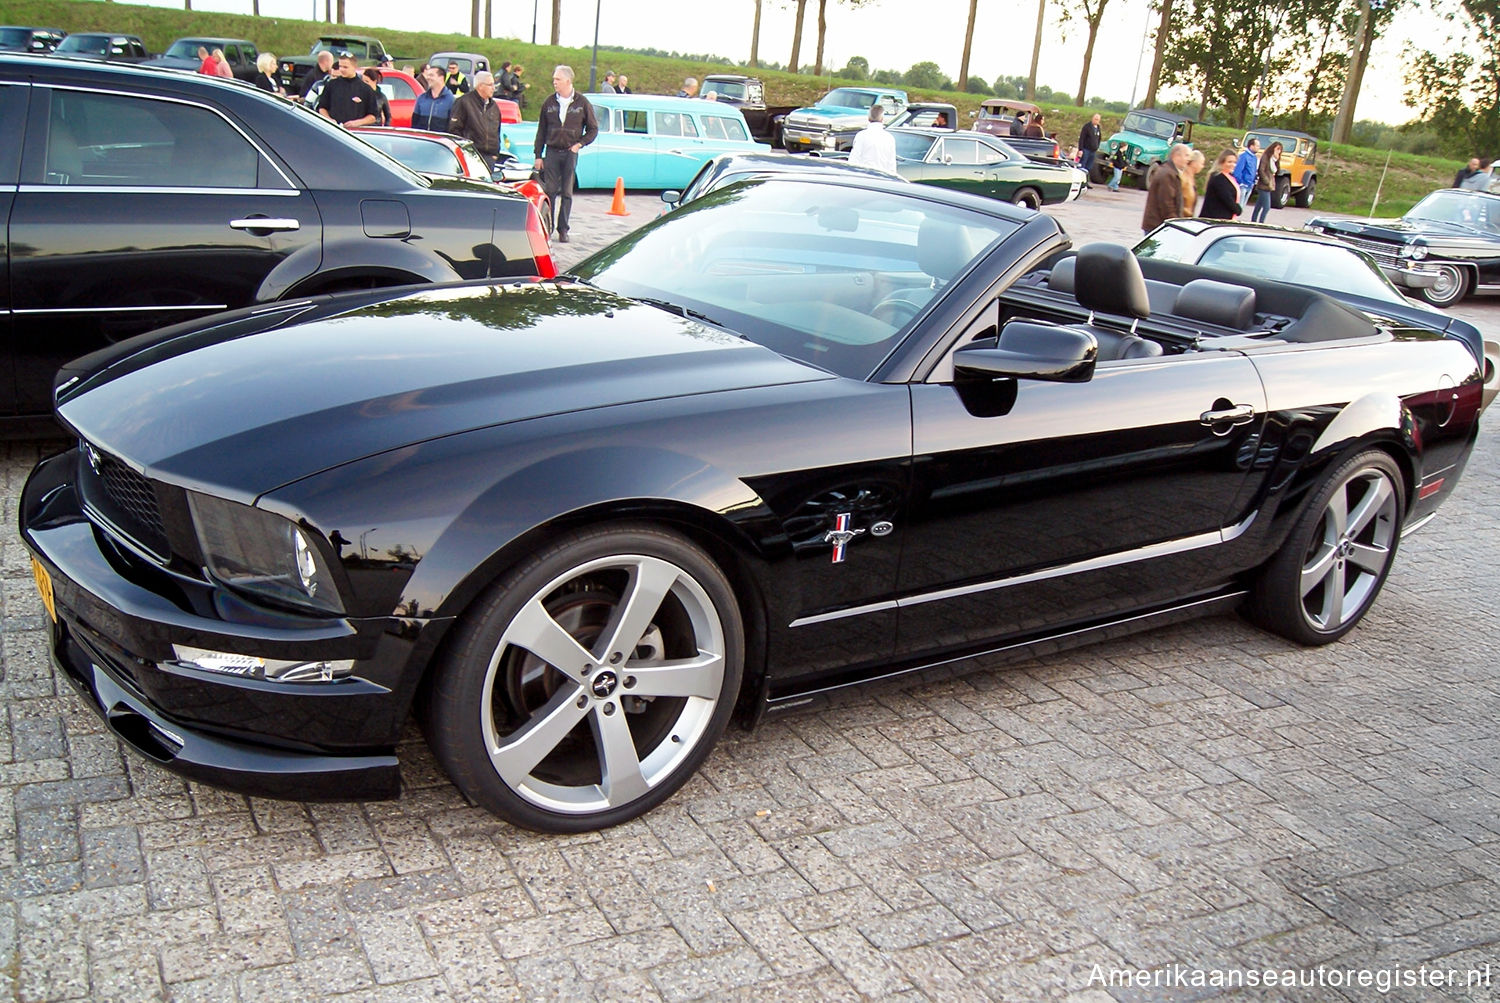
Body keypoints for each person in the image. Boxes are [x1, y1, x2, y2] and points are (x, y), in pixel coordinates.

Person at [533, 65, 599, 243]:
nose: (554, 82)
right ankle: (548, 228)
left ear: (568, 81)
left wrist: (580, 144)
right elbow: (541, 130)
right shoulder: (549, 103)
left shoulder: (582, 103)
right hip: (552, 151)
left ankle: (563, 229)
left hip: (570, 152)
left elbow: (593, 129)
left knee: (567, 192)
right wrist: (538, 155)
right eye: (554, 79)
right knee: (550, 191)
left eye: (558, 79)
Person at [449, 71, 502, 164]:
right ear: (480, 86)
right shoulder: (464, 102)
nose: (493, 88)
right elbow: (454, 130)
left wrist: (495, 153)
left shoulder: (494, 107)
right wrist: (466, 151)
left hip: (489, 158)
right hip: (470, 156)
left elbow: (497, 131)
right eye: (490, 85)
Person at [316, 52, 377, 128]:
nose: (341, 69)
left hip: (355, 132)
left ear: (354, 67)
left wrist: (357, 123)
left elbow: (373, 116)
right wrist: (329, 120)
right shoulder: (331, 85)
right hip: (334, 130)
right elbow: (322, 108)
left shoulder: (365, 89)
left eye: (345, 67)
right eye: (340, 66)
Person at [1143, 143, 1190, 232]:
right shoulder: (1167, 174)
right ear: (1176, 156)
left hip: (1159, 226)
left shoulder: (1170, 171)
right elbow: (1167, 203)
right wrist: (1174, 225)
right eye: (1186, 155)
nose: (1188, 159)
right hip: (1157, 227)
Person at [848, 103, 897, 175]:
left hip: (864, 176)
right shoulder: (889, 138)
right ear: (882, 119)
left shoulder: (861, 136)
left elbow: (854, 160)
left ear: (868, 118)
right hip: (883, 178)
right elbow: (891, 164)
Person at [1199, 149, 1243, 220]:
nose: (1233, 165)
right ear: (1222, 162)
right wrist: (1237, 209)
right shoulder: (1218, 178)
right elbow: (1227, 198)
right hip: (1214, 219)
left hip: (1223, 218)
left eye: (1234, 162)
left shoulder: (1228, 176)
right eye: (1229, 162)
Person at [412, 65, 456, 132]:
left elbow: (453, 128)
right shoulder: (421, 99)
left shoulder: (451, 100)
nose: (428, 78)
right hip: (423, 140)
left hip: (440, 141)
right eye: (428, 75)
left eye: (431, 75)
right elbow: (414, 124)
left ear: (441, 78)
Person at [1251, 141, 1281, 223]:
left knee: (1258, 205)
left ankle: (1253, 221)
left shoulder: (1274, 159)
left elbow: (1277, 171)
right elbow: (1261, 170)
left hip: (1270, 186)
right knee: (1267, 207)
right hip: (1263, 185)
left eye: (1280, 150)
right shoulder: (1266, 157)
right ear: (1273, 148)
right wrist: (1266, 181)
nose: (1279, 151)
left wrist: (1276, 160)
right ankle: (1261, 222)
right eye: (1277, 149)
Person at [1233, 137, 1260, 210]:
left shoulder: (1254, 158)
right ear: (1251, 146)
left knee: (1242, 208)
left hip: (1250, 185)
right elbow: (1238, 171)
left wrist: (1253, 182)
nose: (1259, 148)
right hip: (1243, 185)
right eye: (1257, 146)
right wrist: (1241, 182)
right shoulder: (1243, 156)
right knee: (1238, 206)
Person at [1181, 149, 1206, 218]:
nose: (1202, 166)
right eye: (1201, 163)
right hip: (1180, 218)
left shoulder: (1191, 178)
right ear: (1194, 163)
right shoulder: (1183, 178)